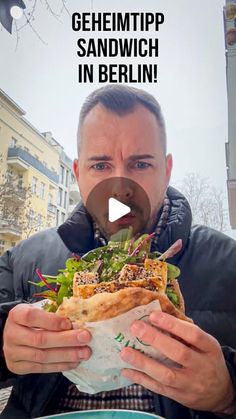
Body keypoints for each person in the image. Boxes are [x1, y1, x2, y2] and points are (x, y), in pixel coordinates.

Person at [0, 85, 236, 419]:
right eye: (100, 166)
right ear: (79, 173)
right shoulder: (24, 260)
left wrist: (227, 392)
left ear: (167, 171)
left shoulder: (229, 264)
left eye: (140, 164)